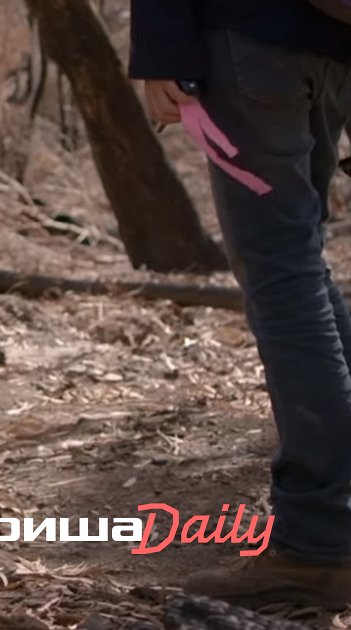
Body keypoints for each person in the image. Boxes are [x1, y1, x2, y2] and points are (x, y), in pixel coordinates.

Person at [129, 0, 351, 611]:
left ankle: (317, 546)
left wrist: (163, 46)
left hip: (252, 33)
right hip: (333, 44)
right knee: (302, 262)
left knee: (285, 273)